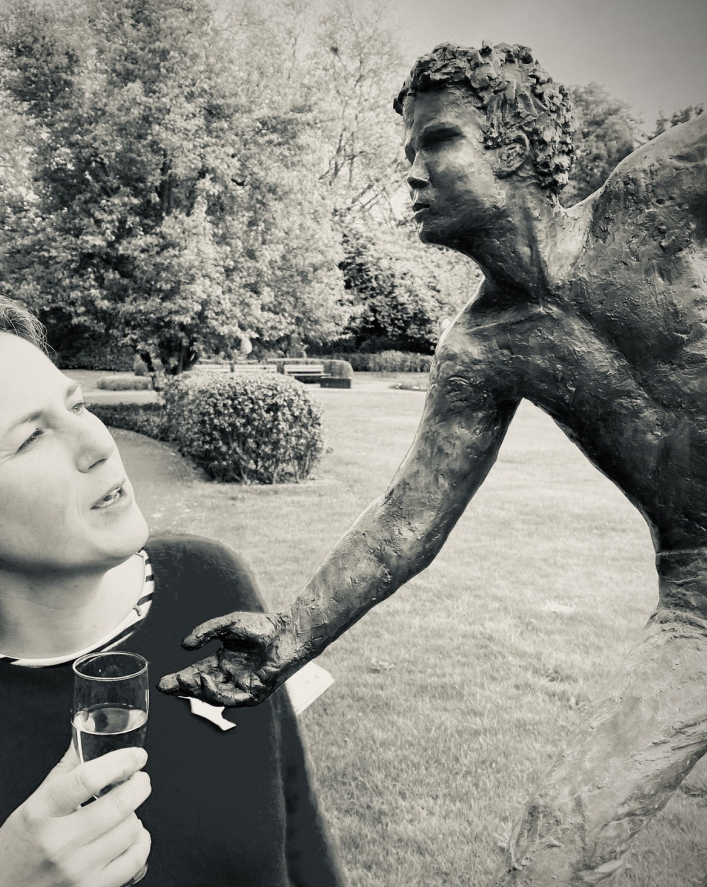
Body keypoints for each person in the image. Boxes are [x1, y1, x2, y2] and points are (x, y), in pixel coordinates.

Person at [159, 42, 707, 884]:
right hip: (698, 602)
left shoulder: (649, 200)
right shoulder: (479, 349)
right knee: (553, 847)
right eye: (408, 150)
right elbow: (407, 519)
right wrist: (289, 637)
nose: (410, 174)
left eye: (438, 141)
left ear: (516, 149)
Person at [0, 295, 346, 887]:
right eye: (30, 438)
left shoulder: (211, 580)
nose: (98, 443)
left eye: (76, 404)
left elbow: (298, 833)